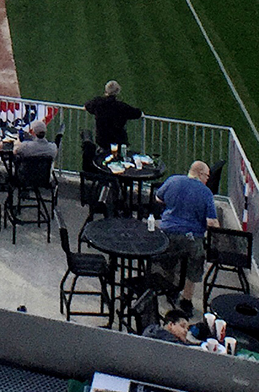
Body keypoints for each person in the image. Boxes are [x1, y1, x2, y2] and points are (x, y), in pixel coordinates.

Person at [156, 160, 220, 316]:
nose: (207, 180)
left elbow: (159, 198)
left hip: (167, 233)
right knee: (194, 265)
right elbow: (211, 221)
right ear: (200, 173)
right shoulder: (205, 193)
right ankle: (186, 300)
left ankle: (171, 288)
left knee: (169, 261)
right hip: (192, 238)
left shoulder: (173, 180)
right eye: (207, 176)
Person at [85, 79, 142, 153]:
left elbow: (88, 105)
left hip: (102, 140)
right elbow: (137, 113)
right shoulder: (122, 107)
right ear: (118, 91)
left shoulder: (98, 103)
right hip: (118, 141)